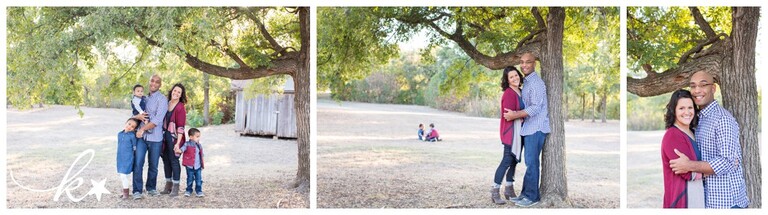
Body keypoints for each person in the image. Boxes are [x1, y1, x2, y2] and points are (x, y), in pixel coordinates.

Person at [669, 71, 749, 208]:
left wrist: (689, 166)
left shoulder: (722, 119)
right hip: (706, 200)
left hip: (726, 203)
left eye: (703, 85)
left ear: (713, 89)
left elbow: (728, 162)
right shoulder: (697, 119)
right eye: (693, 86)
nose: (697, 90)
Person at [503, 53, 550, 207]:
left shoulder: (536, 83)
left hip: (536, 128)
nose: (524, 65)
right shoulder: (527, 82)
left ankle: (532, 197)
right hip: (528, 128)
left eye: (528, 62)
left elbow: (536, 108)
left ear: (534, 63)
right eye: (522, 62)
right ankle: (525, 194)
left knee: (532, 163)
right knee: (529, 163)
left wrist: (515, 115)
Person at [661, 89, 704, 208]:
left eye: (690, 108)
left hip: (696, 195)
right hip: (682, 200)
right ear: (674, 111)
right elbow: (690, 174)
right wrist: (721, 167)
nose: (687, 112)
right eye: (681, 108)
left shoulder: (692, 132)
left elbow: (692, 167)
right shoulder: (673, 135)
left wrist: (693, 165)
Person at [491, 66, 525, 204]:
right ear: (507, 80)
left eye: (516, 75)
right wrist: (521, 114)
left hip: (520, 132)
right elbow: (508, 116)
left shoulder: (520, 91)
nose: (515, 78)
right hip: (511, 133)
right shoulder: (509, 93)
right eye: (511, 77)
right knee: (506, 161)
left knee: (513, 162)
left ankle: (509, 190)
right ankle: (494, 191)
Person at [132, 74, 169, 200]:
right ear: (149, 82)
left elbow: (158, 120)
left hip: (155, 138)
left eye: (157, 82)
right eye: (152, 80)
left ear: (160, 85)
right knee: (138, 163)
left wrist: (142, 128)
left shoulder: (162, 99)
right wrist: (138, 117)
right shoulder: (142, 97)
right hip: (141, 137)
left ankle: (151, 188)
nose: (154, 83)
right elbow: (135, 114)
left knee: (153, 165)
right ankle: (137, 190)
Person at [159, 83, 188, 197]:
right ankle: (168, 185)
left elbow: (181, 127)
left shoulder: (180, 107)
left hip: (175, 137)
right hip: (164, 136)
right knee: (165, 160)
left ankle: (176, 187)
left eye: (179, 92)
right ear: (171, 91)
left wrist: (177, 143)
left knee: (174, 161)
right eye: (175, 91)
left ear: (181, 95)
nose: (176, 93)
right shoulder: (166, 103)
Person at [177, 128, 205, 197]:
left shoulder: (199, 145)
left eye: (199, 137)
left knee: (199, 179)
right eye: (197, 136)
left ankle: (199, 191)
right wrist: (178, 150)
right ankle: (188, 190)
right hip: (189, 166)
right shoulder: (187, 144)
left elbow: (201, 155)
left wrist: (202, 164)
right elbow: (182, 149)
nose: (198, 138)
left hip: (198, 166)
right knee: (190, 179)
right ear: (191, 137)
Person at [117, 118, 141, 199]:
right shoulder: (119, 134)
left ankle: (126, 193)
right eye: (129, 124)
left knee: (123, 175)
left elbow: (134, 148)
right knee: (122, 175)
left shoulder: (132, 136)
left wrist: (133, 157)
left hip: (128, 158)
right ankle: (125, 191)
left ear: (134, 129)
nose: (130, 126)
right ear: (126, 123)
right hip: (120, 158)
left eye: (132, 126)